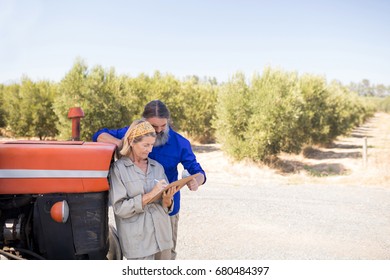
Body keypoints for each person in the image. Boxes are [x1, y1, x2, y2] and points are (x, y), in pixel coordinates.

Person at [92, 100, 206, 259]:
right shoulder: (133, 134)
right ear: (144, 123)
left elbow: (197, 171)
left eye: (163, 126)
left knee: (166, 254)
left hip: (166, 209)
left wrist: (197, 181)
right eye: (154, 127)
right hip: (137, 213)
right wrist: (123, 145)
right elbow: (99, 135)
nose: (159, 131)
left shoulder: (180, 143)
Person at [109, 119, 175, 260]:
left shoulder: (157, 167)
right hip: (139, 244)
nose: (150, 150)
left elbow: (165, 207)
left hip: (163, 239)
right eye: (146, 145)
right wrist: (150, 195)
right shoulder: (118, 170)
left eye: (152, 145)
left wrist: (168, 199)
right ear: (132, 142)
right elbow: (120, 209)